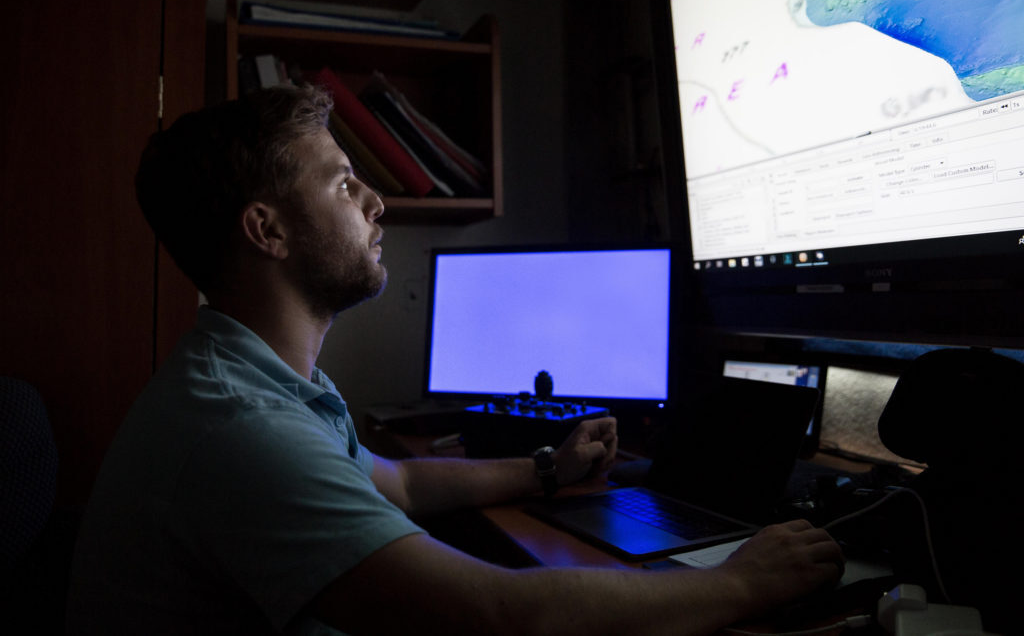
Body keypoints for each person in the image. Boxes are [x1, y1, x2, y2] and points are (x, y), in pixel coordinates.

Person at [66, 85, 844, 635]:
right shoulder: (242, 430)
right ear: (267, 230)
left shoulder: (263, 378)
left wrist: (548, 468)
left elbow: (399, 478)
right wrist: (740, 582)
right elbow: (499, 614)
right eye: (345, 183)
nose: (377, 203)